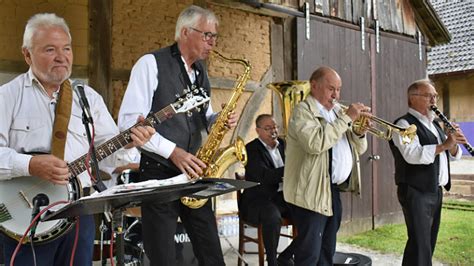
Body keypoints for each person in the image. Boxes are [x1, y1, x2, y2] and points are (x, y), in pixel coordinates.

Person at [0, 13, 154, 265]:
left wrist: (128, 142)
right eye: (50, 49)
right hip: (24, 219)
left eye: (67, 48)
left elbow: (107, 158)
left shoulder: (88, 98)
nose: (62, 56)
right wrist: (29, 164)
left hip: (80, 214)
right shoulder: (6, 97)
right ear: (27, 55)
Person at [118, 5, 238, 265]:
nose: (213, 43)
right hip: (159, 170)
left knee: (211, 251)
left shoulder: (201, 71)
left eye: (214, 36)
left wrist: (218, 121)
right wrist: (173, 152)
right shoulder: (150, 63)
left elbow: (205, 115)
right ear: (185, 32)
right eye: (208, 35)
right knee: (162, 255)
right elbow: (129, 124)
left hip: (194, 170)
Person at [282, 66, 369, 265]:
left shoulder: (337, 112)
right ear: (314, 86)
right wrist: (348, 119)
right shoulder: (303, 111)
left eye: (338, 89)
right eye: (331, 89)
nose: (336, 95)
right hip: (311, 191)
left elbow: (358, 149)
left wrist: (359, 132)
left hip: (332, 189)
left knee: (327, 250)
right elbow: (315, 143)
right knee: (309, 253)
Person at [389, 79, 466, 266]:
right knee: (420, 243)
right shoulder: (403, 124)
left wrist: (453, 145)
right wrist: (444, 144)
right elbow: (412, 155)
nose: (434, 100)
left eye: (435, 96)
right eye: (428, 96)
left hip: (435, 190)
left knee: (427, 243)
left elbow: (451, 156)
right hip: (416, 191)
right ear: (412, 99)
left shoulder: (435, 125)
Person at [240, 114, 296, 266]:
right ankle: (272, 261)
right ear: (258, 131)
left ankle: (285, 256)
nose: (273, 131)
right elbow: (264, 177)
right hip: (258, 199)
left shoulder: (283, 144)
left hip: (281, 197)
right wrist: (291, 168)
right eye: (268, 128)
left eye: (275, 127)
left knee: (309, 217)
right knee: (272, 217)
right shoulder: (250, 149)